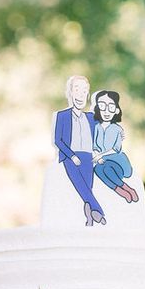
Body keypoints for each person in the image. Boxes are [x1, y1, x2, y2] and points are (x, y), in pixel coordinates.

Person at [52, 75, 106, 226]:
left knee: (87, 189)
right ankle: (100, 213)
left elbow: (100, 135)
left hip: (88, 157)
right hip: (71, 157)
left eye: (84, 91)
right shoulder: (62, 116)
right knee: (82, 187)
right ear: (70, 92)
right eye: (77, 89)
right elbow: (58, 140)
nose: (81, 95)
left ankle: (89, 218)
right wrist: (71, 155)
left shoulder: (91, 118)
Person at [92, 90, 138, 203]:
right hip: (100, 161)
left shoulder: (117, 129)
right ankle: (120, 191)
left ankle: (127, 188)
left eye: (111, 107)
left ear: (116, 110)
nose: (106, 111)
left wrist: (100, 156)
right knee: (98, 169)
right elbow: (94, 146)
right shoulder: (97, 127)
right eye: (102, 106)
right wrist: (97, 156)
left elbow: (116, 149)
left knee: (106, 167)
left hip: (116, 161)